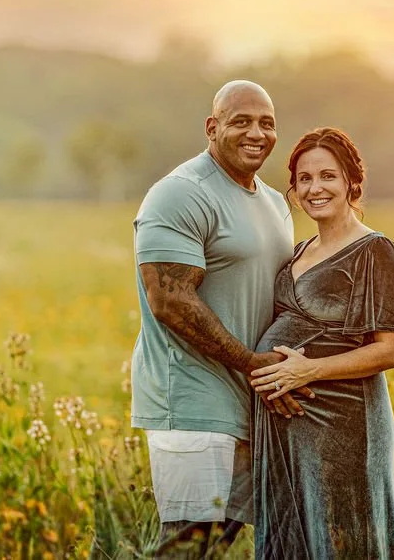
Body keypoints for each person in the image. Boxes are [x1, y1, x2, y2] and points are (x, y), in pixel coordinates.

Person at [130, 80, 312, 558]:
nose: (257, 133)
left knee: (217, 545)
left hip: (251, 400)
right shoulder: (179, 193)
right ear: (212, 128)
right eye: (241, 121)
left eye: (267, 123)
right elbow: (169, 299)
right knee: (187, 546)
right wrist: (253, 363)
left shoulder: (274, 203)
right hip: (191, 399)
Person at [250, 127, 394, 559]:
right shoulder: (299, 250)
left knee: (346, 539)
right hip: (288, 426)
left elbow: (393, 349)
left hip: (346, 426)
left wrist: (309, 370)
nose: (314, 188)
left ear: (350, 182)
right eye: (304, 179)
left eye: (327, 176)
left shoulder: (374, 251)